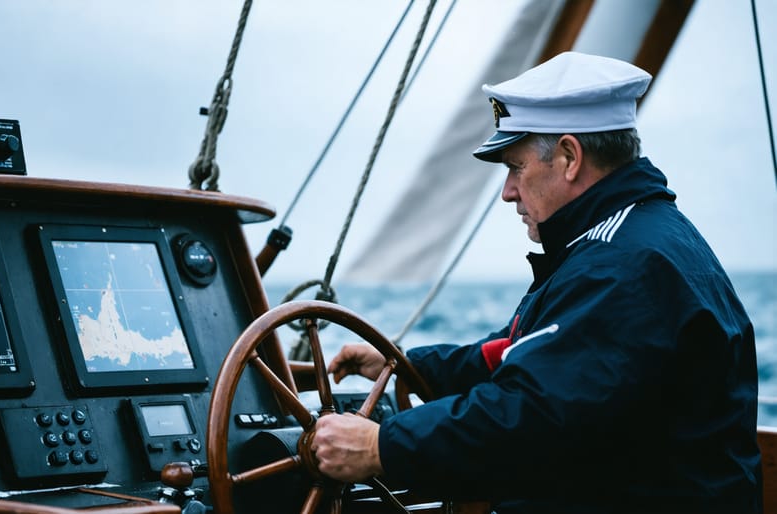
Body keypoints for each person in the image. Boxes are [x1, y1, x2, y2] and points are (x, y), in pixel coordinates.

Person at [311, 51, 761, 513]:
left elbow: (530, 417)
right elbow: (520, 357)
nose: (508, 191)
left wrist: (379, 448)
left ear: (569, 157)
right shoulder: (642, 238)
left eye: (516, 167)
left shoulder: (616, 267)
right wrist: (411, 365)